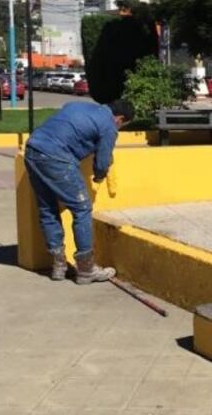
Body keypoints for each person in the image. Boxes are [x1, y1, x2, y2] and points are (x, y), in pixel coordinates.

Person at [24, 99, 135, 284]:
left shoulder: (78, 105)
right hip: (56, 157)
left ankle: (59, 266)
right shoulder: (109, 125)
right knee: (82, 208)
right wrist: (99, 176)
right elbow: (102, 162)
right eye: (123, 125)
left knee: (47, 208)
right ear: (120, 119)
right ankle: (86, 269)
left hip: (33, 149)